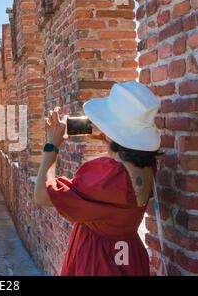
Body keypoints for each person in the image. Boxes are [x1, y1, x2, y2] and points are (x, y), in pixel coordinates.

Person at [34, 81, 162, 276]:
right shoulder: (146, 165)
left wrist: (52, 145)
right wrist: (73, 126)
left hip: (99, 261)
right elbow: (114, 138)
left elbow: (42, 195)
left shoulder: (108, 179)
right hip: (128, 256)